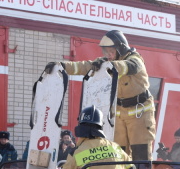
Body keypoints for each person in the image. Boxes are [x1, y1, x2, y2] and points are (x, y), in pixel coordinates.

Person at [47, 29, 156, 161]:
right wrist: (62, 66)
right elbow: (85, 66)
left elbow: (128, 66)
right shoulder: (107, 62)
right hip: (120, 114)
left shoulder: (135, 59)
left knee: (141, 155)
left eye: (111, 51)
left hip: (140, 113)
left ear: (120, 48)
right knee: (118, 153)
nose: (108, 55)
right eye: (105, 51)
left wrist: (108, 65)